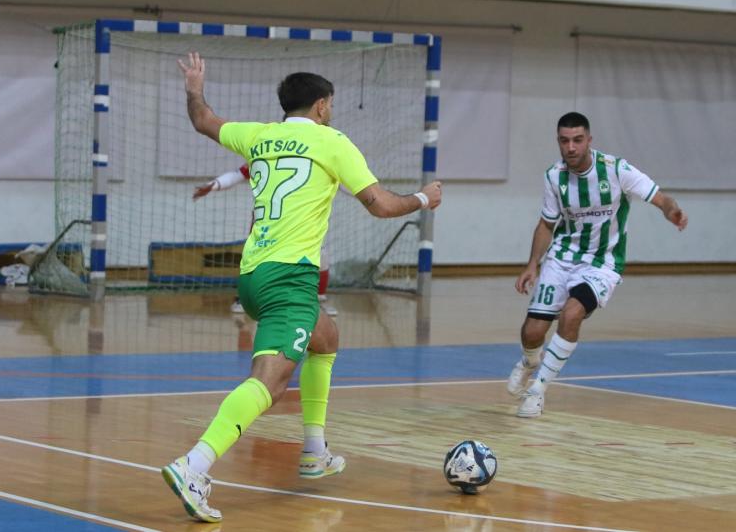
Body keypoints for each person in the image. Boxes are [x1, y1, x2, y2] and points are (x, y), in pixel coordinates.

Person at [163, 52, 442, 523]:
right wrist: (422, 198)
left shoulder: (260, 135)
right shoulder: (332, 142)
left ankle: (314, 450)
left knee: (325, 336)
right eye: (329, 103)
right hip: (289, 278)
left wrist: (194, 86)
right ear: (321, 105)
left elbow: (204, 121)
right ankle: (194, 465)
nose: (330, 110)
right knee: (269, 384)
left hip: (252, 274)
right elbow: (378, 204)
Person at [507, 111, 688, 418]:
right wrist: (532, 265)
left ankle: (538, 391)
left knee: (572, 314)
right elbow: (546, 224)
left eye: (578, 140)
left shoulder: (616, 170)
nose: (571, 147)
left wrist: (671, 211)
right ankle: (529, 360)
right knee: (532, 331)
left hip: (603, 263)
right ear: (558, 142)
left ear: (589, 140)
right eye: (565, 141)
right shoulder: (554, 176)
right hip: (562, 259)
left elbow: (659, 197)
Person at [193, 164, 340, 316]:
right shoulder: (265, 152)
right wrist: (214, 185)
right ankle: (244, 298)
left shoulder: (311, 157)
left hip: (296, 218)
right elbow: (238, 174)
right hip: (266, 219)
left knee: (320, 256)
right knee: (253, 257)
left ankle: (319, 300)